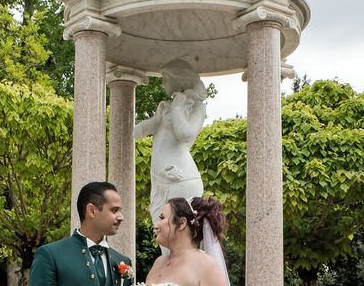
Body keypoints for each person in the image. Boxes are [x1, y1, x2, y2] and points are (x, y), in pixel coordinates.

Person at [134, 59, 207, 251]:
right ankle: (168, 276)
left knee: (180, 237)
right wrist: (157, 118)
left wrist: (177, 107)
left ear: (179, 79)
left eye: (166, 78)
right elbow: (138, 131)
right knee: (162, 236)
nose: (163, 83)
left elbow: (185, 134)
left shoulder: (197, 107)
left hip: (181, 178)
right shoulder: (166, 107)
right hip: (160, 180)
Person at [29, 181, 134, 286]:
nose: (121, 217)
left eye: (120, 211)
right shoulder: (50, 256)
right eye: (114, 210)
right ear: (91, 210)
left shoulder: (123, 261)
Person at [144, 197, 230, 286]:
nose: (156, 226)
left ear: (182, 223)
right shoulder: (159, 262)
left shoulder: (206, 266)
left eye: (162, 218)